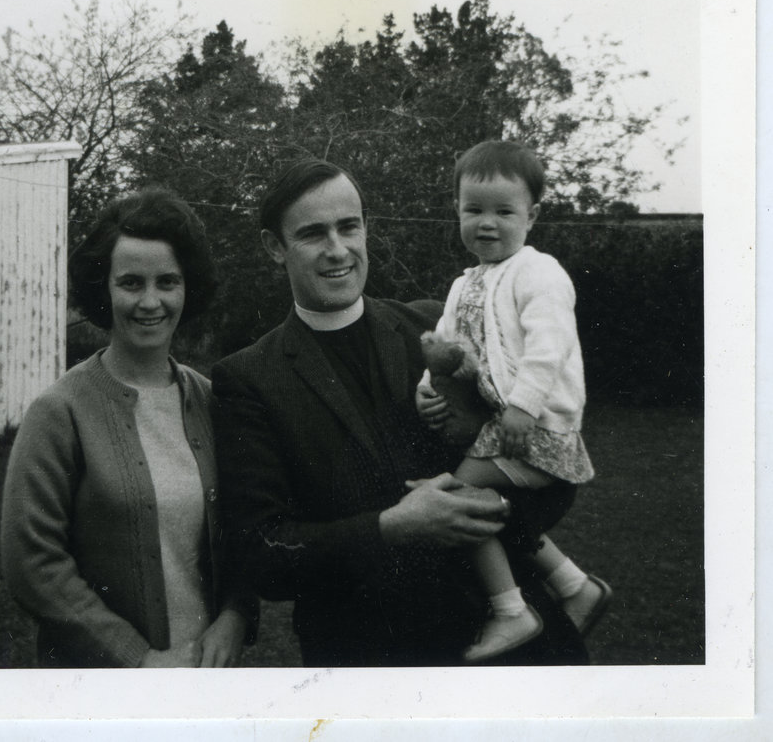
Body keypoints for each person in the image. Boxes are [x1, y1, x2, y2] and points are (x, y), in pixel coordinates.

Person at [212, 158, 587, 666]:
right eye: (312, 234)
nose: (338, 249)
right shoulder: (248, 379)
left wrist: (491, 501)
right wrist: (391, 526)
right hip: (374, 660)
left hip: (519, 651)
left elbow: (549, 469)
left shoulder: (435, 326)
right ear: (274, 247)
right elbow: (262, 554)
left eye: (349, 226)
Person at [1, 189, 255, 667]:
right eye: (131, 283)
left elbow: (246, 529)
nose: (151, 302)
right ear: (104, 288)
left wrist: (236, 615)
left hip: (208, 677)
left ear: (188, 287)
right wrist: (138, 660)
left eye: (168, 282)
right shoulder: (59, 412)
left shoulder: (213, 402)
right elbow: (32, 564)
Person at [415, 140, 612, 662]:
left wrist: (524, 405)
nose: (487, 223)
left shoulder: (538, 272)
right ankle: (574, 586)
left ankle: (511, 610)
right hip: (503, 427)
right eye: (473, 210)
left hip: (538, 427)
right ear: (456, 209)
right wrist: (427, 392)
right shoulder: (466, 285)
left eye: (504, 211)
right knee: (484, 507)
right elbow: (446, 347)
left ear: (532, 215)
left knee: (456, 496)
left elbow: (550, 346)